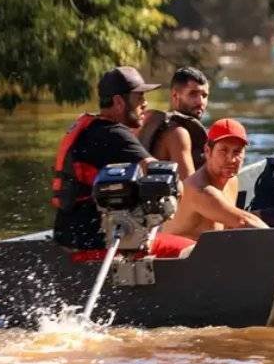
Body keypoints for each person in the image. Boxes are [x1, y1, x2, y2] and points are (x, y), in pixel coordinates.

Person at [51, 66, 195, 258]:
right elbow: (162, 174)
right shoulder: (114, 134)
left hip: (69, 239)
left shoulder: (88, 128)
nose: (145, 103)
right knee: (193, 250)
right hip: (100, 246)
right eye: (139, 97)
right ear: (119, 101)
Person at [159, 118, 268, 241]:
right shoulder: (199, 189)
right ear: (207, 151)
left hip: (209, 253)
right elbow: (242, 221)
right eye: (223, 151)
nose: (231, 159)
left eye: (237, 152)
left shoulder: (232, 180)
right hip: (176, 257)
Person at [138, 66, 210, 176]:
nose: (200, 102)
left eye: (204, 95)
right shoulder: (178, 133)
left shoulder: (149, 121)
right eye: (193, 94)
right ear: (175, 95)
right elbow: (188, 187)